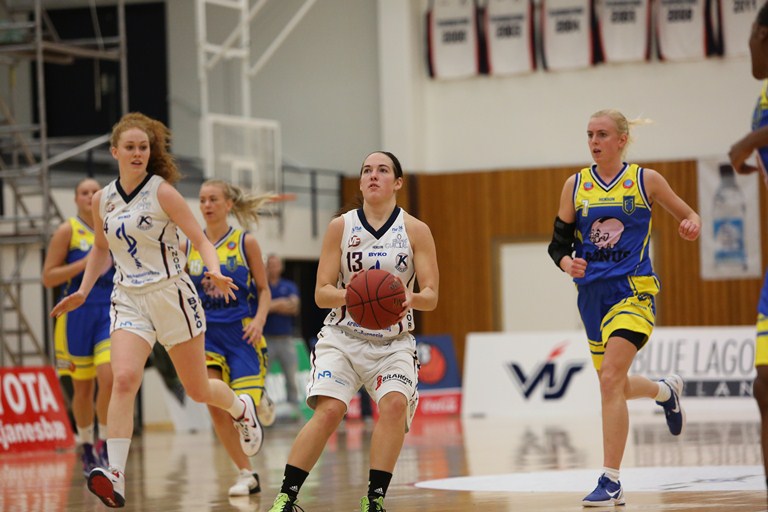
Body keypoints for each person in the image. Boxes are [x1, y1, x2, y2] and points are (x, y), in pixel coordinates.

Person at [50, 112, 263, 509]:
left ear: (150, 152)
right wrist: (82, 290)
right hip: (128, 297)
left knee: (198, 390)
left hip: (170, 295)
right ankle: (115, 475)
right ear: (114, 151)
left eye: (143, 147)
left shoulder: (162, 192)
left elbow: (200, 239)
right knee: (123, 378)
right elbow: (101, 249)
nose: (137, 153)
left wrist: (214, 270)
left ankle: (241, 408)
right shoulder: (102, 199)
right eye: (130, 147)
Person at [266, 151, 439, 512]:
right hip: (343, 337)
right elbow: (321, 293)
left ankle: (374, 500)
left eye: (383, 170)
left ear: (398, 182)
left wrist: (410, 297)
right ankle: (286, 497)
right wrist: (354, 295)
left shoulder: (416, 230)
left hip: (393, 342)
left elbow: (431, 296)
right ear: (360, 182)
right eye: (367, 170)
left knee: (394, 405)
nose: (373, 175)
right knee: (329, 410)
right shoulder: (340, 227)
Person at [548, 109, 701, 507]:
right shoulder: (575, 185)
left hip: (633, 291)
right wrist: (567, 263)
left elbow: (688, 214)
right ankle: (665, 391)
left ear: (622, 140)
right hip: (591, 297)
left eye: (602, 134)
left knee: (611, 378)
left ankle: (611, 479)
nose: (594, 142)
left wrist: (691, 224)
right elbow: (558, 244)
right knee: (612, 383)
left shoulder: (645, 180)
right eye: (589, 135)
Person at [182, 179, 273, 496]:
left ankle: (259, 400)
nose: (206, 205)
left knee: (243, 408)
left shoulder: (246, 242)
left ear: (228, 204)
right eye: (202, 199)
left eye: (213, 199)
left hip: (242, 332)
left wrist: (259, 320)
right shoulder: (188, 246)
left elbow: (264, 289)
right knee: (214, 405)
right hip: (206, 336)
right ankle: (246, 473)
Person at [42, 177, 115, 477]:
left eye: (95, 191)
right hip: (76, 316)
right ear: (75, 199)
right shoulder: (67, 230)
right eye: (84, 192)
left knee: (109, 376)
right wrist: (86, 264)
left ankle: (104, 442)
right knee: (83, 389)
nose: (89, 195)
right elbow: (48, 277)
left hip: (108, 313)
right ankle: (85, 445)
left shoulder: (113, 227)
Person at [729, 0, 768, 490]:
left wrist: (749, 143)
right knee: (764, 384)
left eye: (750, 40)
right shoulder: (762, 95)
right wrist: (748, 156)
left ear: (762, 34)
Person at [263, 254, 301, 417]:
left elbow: (294, 307)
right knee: (262, 377)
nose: (274, 267)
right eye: (270, 264)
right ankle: (263, 411)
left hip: (286, 339)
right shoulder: (263, 286)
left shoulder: (289, 285)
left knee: (291, 377)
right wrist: (280, 304)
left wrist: (272, 305)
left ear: (281, 267)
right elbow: (261, 308)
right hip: (266, 339)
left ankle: (295, 411)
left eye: (276, 264)